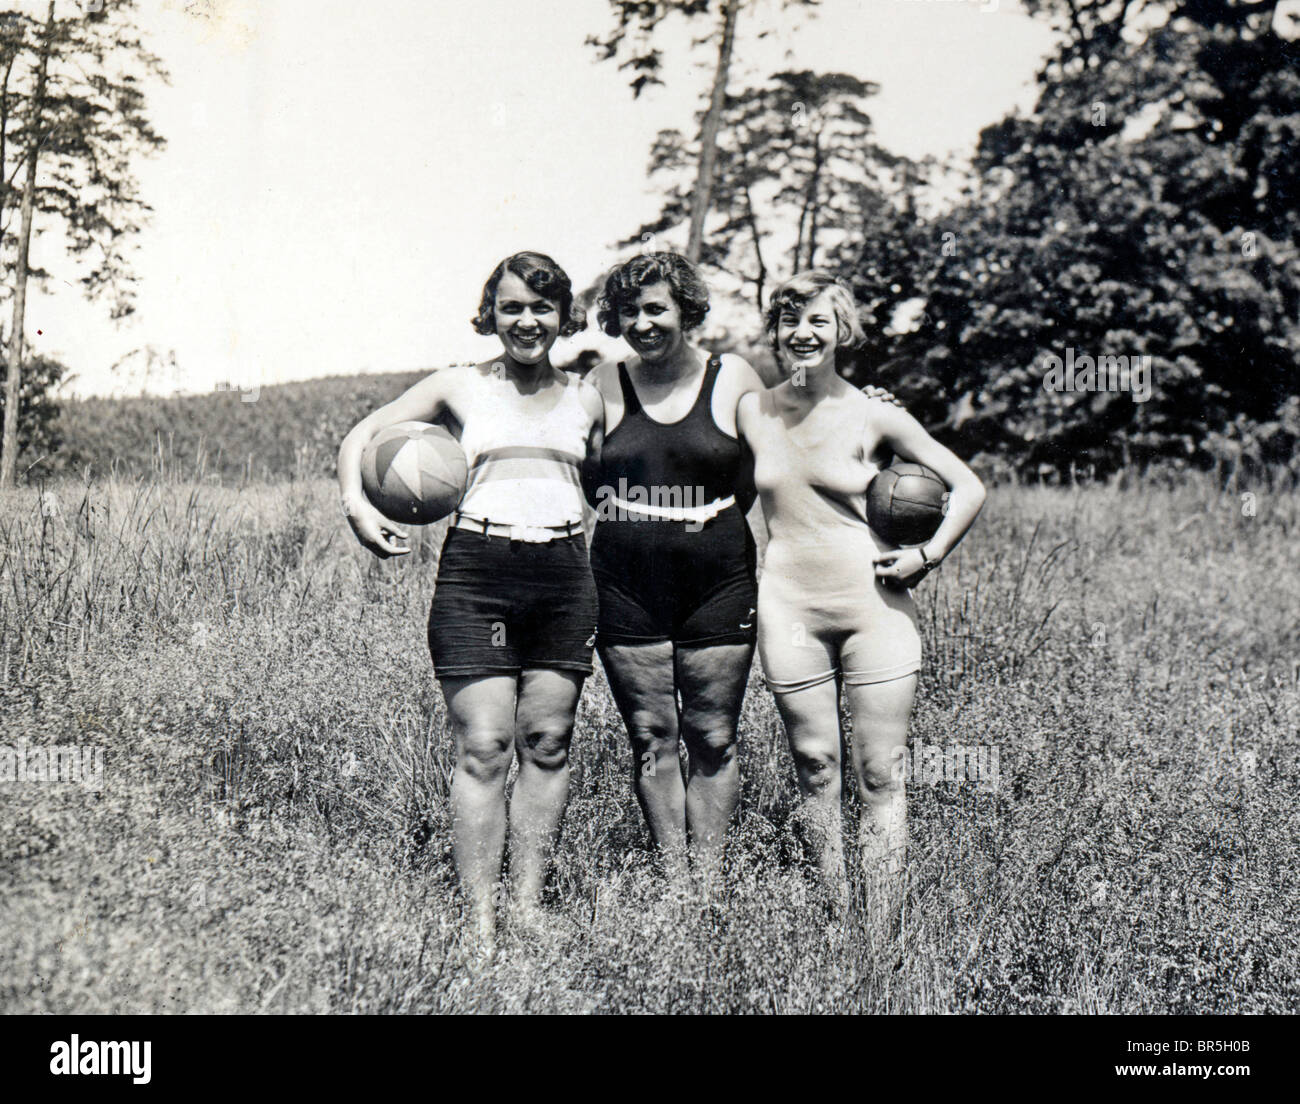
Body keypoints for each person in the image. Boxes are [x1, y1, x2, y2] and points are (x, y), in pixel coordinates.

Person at [337, 251, 603, 956]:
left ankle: (526, 907)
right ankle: (479, 921)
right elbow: (363, 434)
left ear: (563, 314)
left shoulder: (590, 393)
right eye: (512, 306)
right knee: (484, 747)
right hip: (479, 571)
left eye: (542, 307)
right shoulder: (459, 385)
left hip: (564, 573)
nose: (527, 321)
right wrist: (359, 508)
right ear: (492, 313)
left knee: (547, 743)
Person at [736, 270, 986, 909]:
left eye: (819, 319)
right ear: (775, 333)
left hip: (873, 609)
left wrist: (926, 557)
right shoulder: (752, 410)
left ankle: (880, 938)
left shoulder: (876, 413)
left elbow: (969, 487)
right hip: (788, 609)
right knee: (816, 769)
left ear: (843, 329)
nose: (803, 332)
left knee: (880, 774)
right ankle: (834, 920)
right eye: (790, 320)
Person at [585, 253, 766, 877]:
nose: (642, 322)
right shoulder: (603, 383)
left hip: (717, 580)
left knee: (713, 737)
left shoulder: (733, 375)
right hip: (624, 583)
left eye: (656, 307)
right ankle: (674, 883)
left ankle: (709, 885)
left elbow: (769, 462)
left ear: (686, 309)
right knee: (651, 737)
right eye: (628, 311)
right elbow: (582, 473)